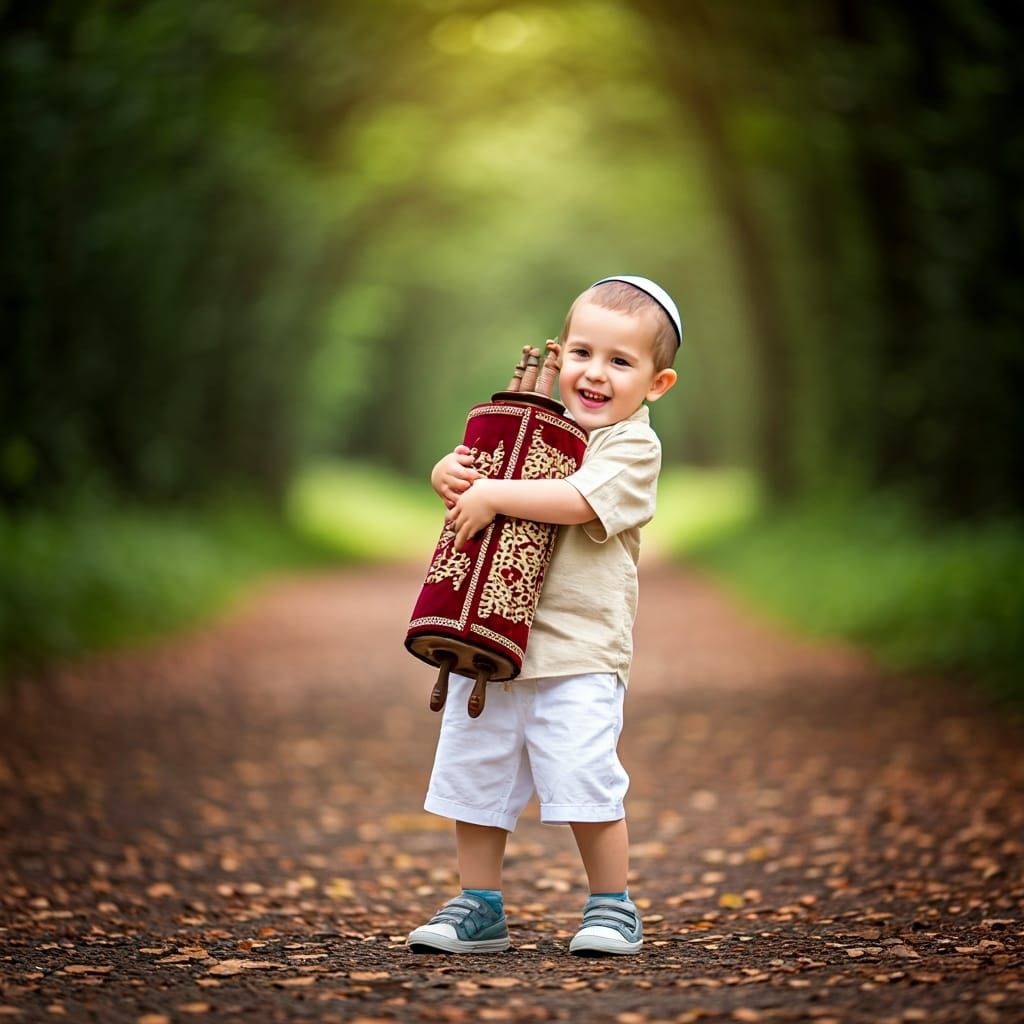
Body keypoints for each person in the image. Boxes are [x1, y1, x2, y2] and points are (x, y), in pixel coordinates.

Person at [405, 276, 681, 956]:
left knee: (584, 777)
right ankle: (479, 902)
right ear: (558, 358)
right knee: (475, 777)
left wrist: (497, 495)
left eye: (621, 362)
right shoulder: (536, 431)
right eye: (584, 353)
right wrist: (453, 472)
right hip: (491, 643)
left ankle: (612, 904)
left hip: (579, 655)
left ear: (656, 383)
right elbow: (483, 472)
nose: (596, 373)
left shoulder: (631, 447)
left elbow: (580, 500)